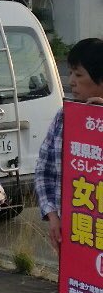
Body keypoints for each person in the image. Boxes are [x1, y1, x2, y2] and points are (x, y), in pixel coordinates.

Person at [35, 38, 103, 254]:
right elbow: (44, 170)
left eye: (79, 74)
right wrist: (53, 215)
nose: (71, 80)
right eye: (71, 73)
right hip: (75, 232)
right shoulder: (64, 117)